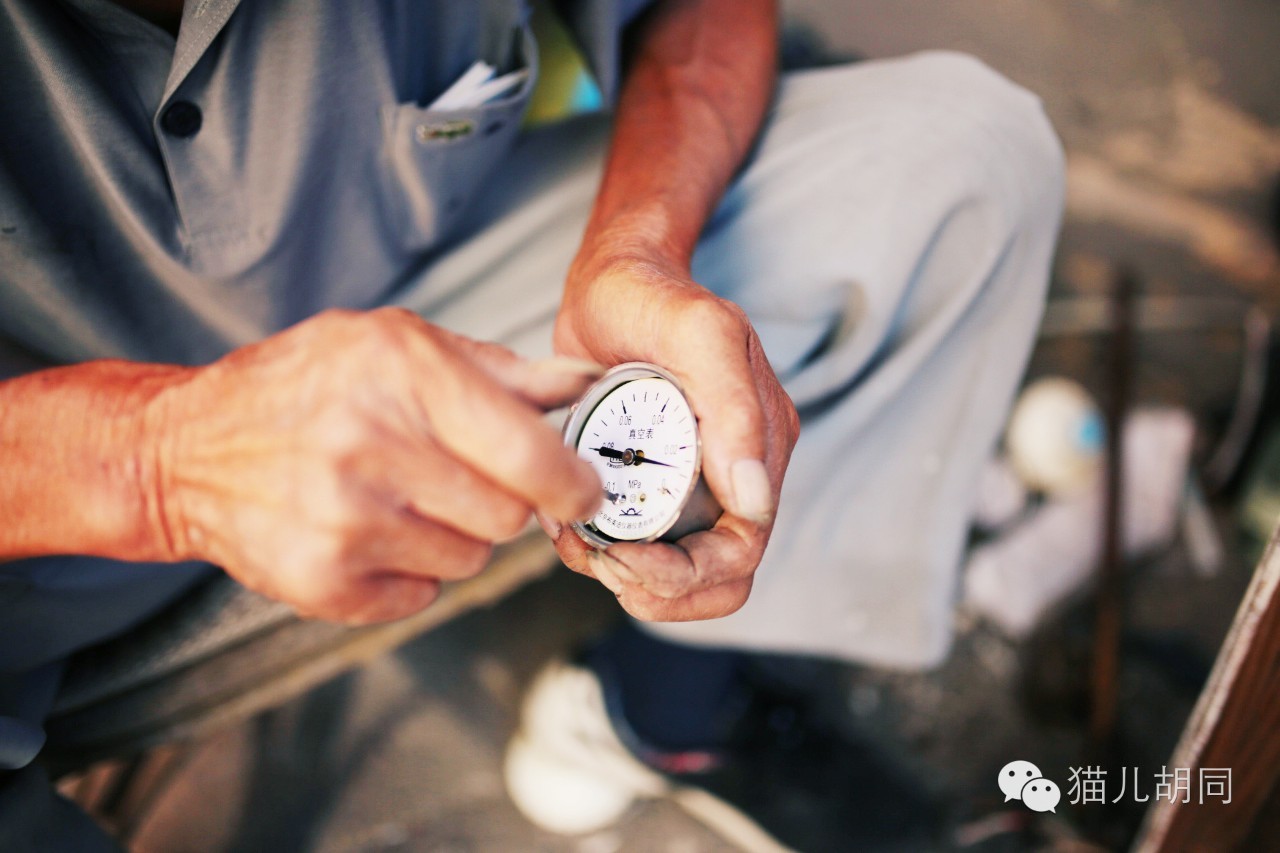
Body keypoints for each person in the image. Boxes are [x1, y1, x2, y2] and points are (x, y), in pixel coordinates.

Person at [0, 0, 1064, 848]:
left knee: (962, 158)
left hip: (429, 300)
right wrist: (160, 464)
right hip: (44, 529)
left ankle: (661, 711)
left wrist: (637, 243)